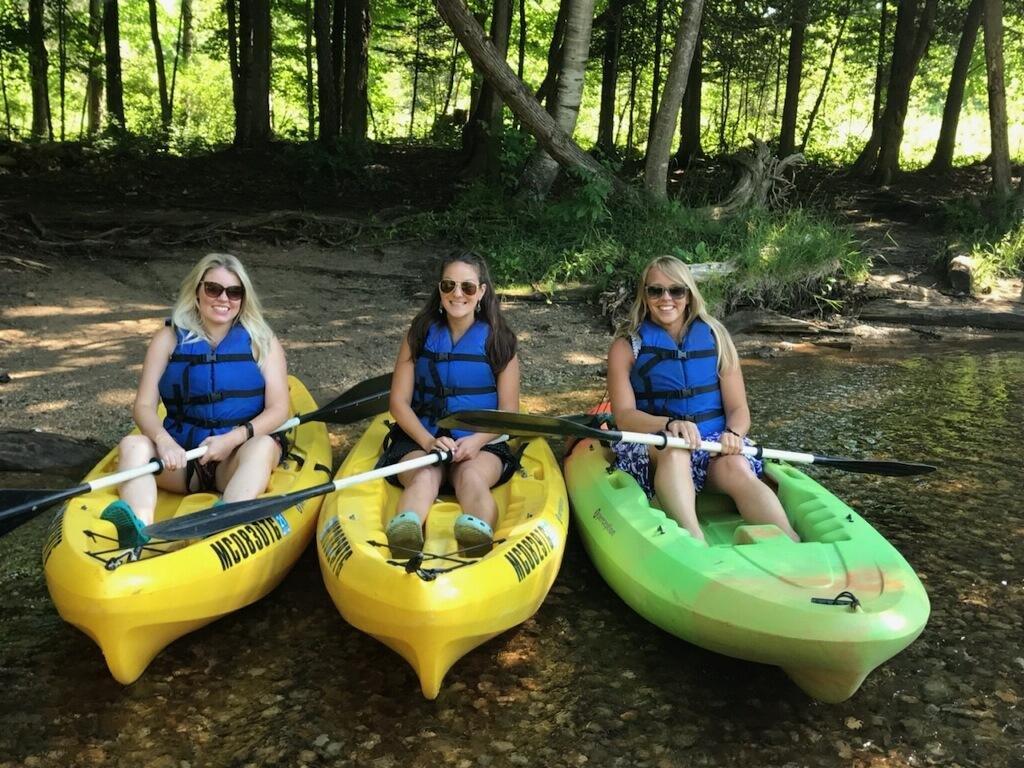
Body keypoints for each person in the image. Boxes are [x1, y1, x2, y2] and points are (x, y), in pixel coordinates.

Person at [606, 255, 800, 544]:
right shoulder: (627, 346)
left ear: (689, 294)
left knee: (737, 467)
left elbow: (738, 409)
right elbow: (623, 416)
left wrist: (733, 434)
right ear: (644, 296)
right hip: (656, 442)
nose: (666, 298)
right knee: (676, 452)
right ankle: (695, 541)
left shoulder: (716, 337)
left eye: (676, 290)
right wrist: (670, 424)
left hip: (711, 442)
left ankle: (791, 542)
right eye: (655, 290)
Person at [101, 253, 290, 548]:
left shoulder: (262, 340)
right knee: (132, 445)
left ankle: (222, 521)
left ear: (243, 298)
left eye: (234, 292)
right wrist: (164, 442)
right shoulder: (168, 338)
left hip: (234, 459)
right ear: (197, 291)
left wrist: (231, 440)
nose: (223, 299)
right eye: (213, 289)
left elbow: (279, 408)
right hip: (181, 458)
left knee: (264, 445)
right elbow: (143, 406)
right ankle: (140, 530)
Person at [381, 251, 520, 558]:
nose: (458, 294)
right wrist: (429, 441)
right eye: (449, 285)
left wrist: (476, 441)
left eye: (467, 287)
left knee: (470, 476)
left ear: (482, 291)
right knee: (425, 475)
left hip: (480, 442)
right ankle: (407, 531)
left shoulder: (500, 340)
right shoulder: (418, 333)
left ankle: (477, 532)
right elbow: (398, 403)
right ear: (440, 289)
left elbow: (509, 411)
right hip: (421, 437)